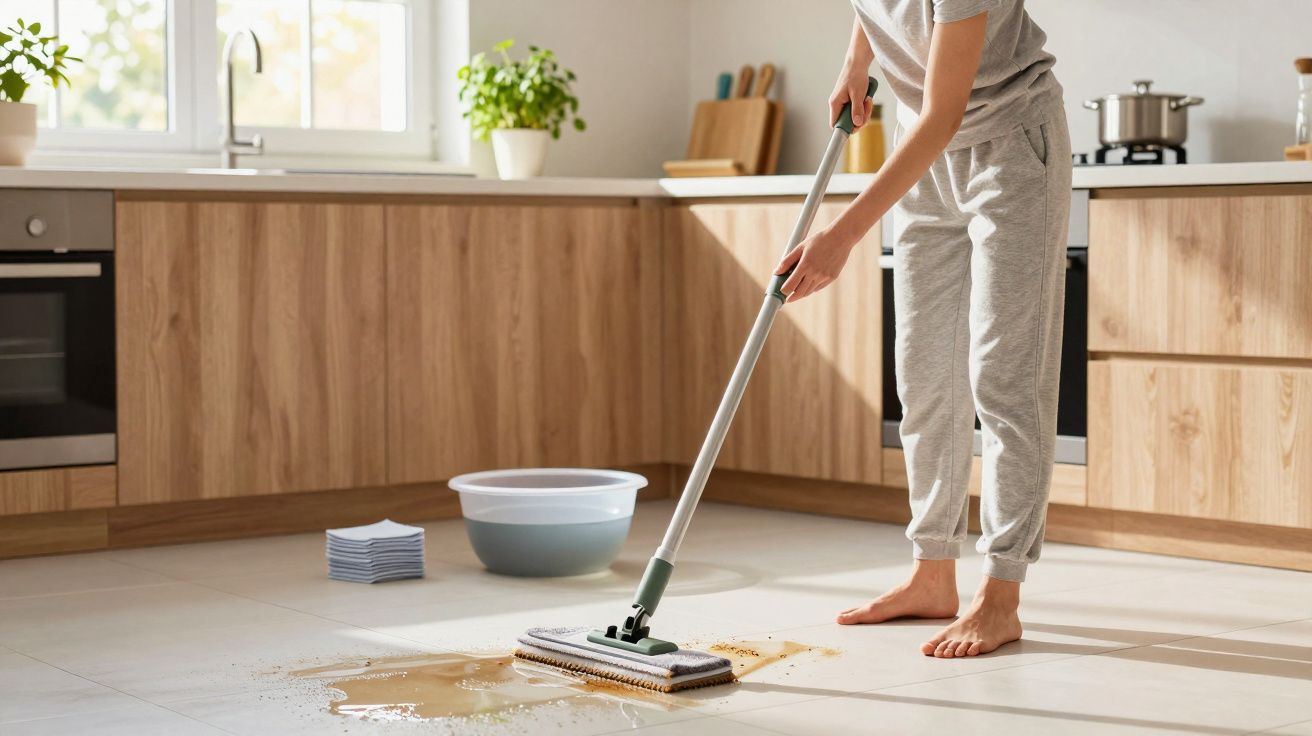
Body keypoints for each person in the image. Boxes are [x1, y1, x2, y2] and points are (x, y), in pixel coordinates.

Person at [775, 0, 1071, 657]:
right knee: (925, 373)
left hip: (1009, 144)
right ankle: (932, 570)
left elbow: (946, 111)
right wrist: (857, 59)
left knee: (1003, 378)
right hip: (925, 157)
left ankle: (1001, 593)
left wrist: (844, 234)